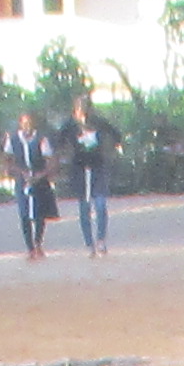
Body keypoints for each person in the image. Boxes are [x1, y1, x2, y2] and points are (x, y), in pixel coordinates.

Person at [5, 108, 57, 265]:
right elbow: (8, 160)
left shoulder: (41, 139)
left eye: (30, 123)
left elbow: (50, 161)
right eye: (24, 123)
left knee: (40, 213)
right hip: (22, 179)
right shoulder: (13, 139)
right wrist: (20, 173)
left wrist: (39, 176)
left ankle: (38, 242)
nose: (27, 126)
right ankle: (30, 247)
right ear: (20, 124)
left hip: (39, 179)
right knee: (24, 213)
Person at [66, 98, 117, 257]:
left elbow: (116, 135)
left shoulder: (99, 123)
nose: (83, 113)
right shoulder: (70, 126)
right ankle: (89, 243)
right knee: (84, 207)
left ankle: (101, 239)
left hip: (98, 167)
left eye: (86, 109)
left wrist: (108, 150)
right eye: (80, 110)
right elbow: (57, 142)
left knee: (101, 204)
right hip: (80, 170)